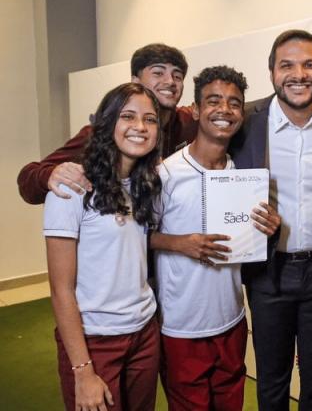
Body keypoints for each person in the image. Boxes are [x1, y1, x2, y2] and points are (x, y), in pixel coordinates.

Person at [229, 29, 312, 410]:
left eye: (309, 64)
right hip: (267, 270)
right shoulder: (246, 120)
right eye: (286, 65)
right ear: (271, 72)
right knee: (271, 377)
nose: (298, 74)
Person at [150, 66, 281, 410]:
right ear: (195, 110)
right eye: (213, 101)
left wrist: (270, 227)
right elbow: (138, 237)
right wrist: (180, 243)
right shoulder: (166, 174)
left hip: (232, 319)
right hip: (181, 325)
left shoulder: (245, 176)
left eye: (234, 103)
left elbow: (250, 241)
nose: (225, 110)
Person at [44, 83, 163, 410]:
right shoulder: (71, 188)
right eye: (128, 116)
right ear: (107, 123)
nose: (140, 127)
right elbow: (61, 290)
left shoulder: (145, 185)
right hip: (94, 341)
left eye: (150, 120)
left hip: (144, 333)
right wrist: (83, 372)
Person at [18, 43, 196, 204]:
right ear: (135, 81)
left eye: (177, 76)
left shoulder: (191, 121)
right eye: (158, 73)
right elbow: (28, 179)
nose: (170, 82)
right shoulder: (107, 131)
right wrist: (51, 175)